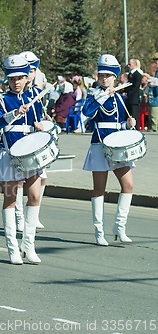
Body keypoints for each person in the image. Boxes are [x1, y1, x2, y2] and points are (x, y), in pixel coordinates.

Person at [0, 54, 46, 266]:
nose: (17, 82)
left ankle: (28, 246)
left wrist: (40, 125)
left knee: (34, 196)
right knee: (11, 199)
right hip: (10, 152)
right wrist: (13, 112)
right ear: (8, 80)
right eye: (13, 79)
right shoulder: (0, 100)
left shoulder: (35, 99)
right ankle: (12, 247)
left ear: (26, 78)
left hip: (30, 153)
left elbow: (38, 122)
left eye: (20, 78)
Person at [82, 54, 137, 246]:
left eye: (108, 75)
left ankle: (119, 227)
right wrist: (101, 96)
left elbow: (119, 121)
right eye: (101, 75)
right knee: (99, 190)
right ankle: (99, 232)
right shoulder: (93, 94)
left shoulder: (120, 98)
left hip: (118, 146)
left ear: (115, 76)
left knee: (128, 185)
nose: (104, 78)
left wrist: (129, 123)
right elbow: (86, 113)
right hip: (99, 146)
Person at [17, 51, 50, 231]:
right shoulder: (17, 92)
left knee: (41, 178)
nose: (29, 75)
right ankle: (19, 216)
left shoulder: (37, 92)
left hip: (33, 141)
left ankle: (33, 213)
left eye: (32, 71)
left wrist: (44, 120)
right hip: (19, 141)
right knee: (20, 181)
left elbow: (37, 114)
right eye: (27, 71)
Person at [123, 59, 143, 128]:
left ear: (134, 65)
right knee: (128, 114)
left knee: (134, 115)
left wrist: (129, 94)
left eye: (130, 64)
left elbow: (136, 86)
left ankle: (135, 127)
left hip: (134, 98)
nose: (128, 66)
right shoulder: (130, 74)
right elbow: (128, 84)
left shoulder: (137, 74)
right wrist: (125, 91)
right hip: (129, 98)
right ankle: (129, 127)